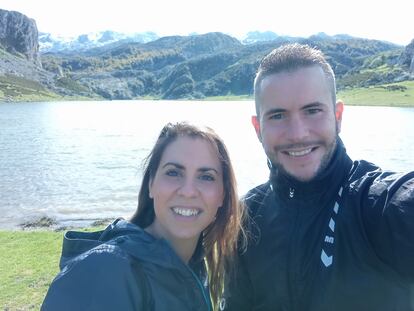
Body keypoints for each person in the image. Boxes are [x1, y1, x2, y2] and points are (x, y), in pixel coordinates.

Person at [224, 43, 414, 311]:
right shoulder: (246, 217)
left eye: (312, 110)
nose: (298, 133)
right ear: (258, 128)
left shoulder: (377, 203)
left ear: (338, 116)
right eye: (278, 115)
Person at [41, 122, 246, 311]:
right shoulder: (107, 270)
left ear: (223, 195)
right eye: (173, 173)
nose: (188, 191)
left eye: (206, 177)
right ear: (151, 184)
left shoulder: (193, 268)